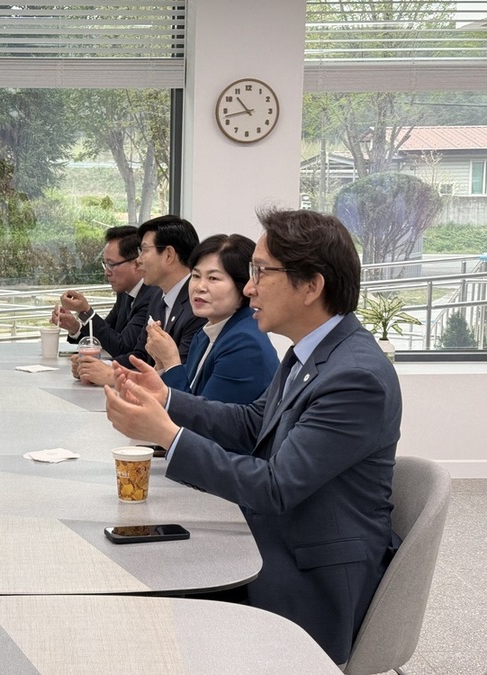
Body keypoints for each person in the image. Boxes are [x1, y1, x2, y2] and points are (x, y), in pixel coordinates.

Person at [104, 208, 402, 665]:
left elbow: (276, 486)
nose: (248, 286)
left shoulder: (355, 376)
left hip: (310, 578)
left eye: (261, 272)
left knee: (151, 598)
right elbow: (249, 423)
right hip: (278, 538)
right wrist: (168, 398)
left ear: (311, 286)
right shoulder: (312, 353)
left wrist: (167, 434)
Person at [146, 233, 279, 404]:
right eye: (195, 276)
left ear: (243, 285)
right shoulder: (207, 332)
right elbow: (190, 391)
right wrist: (162, 364)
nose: (199, 287)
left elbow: (200, 420)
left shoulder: (245, 343)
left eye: (213, 278)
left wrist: (171, 360)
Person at [74, 215, 205, 387]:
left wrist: (114, 376)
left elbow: (181, 375)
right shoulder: (158, 296)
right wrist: (96, 367)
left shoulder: (198, 304)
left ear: (168, 255)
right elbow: (140, 354)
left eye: (144, 250)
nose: (139, 260)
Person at [51, 225, 159, 357]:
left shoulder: (152, 296)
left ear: (137, 262)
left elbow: (123, 347)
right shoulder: (125, 293)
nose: (106, 272)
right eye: (105, 264)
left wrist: (86, 311)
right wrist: (74, 327)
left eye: (111, 264)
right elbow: (105, 338)